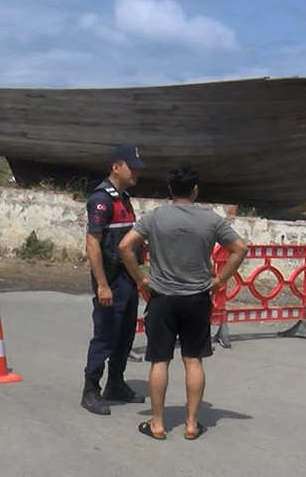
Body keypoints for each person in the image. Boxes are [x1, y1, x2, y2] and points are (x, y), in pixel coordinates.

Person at [118, 164, 248, 440]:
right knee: (193, 360)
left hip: (163, 297)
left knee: (159, 361)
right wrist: (219, 280)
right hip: (197, 298)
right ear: (196, 189)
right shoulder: (211, 220)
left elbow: (125, 246)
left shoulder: (155, 218)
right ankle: (191, 424)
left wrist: (141, 279)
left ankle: (157, 424)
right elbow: (240, 248)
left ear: (169, 189)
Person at [81, 143, 148, 415]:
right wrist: (102, 285)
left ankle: (116, 383)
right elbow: (93, 244)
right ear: (116, 167)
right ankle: (91, 389)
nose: (136, 173)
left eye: (138, 168)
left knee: (125, 334)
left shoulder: (124, 198)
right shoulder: (102, 199)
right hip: (110, 278)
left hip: (127, 279)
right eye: (131, 167)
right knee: (106, 335)